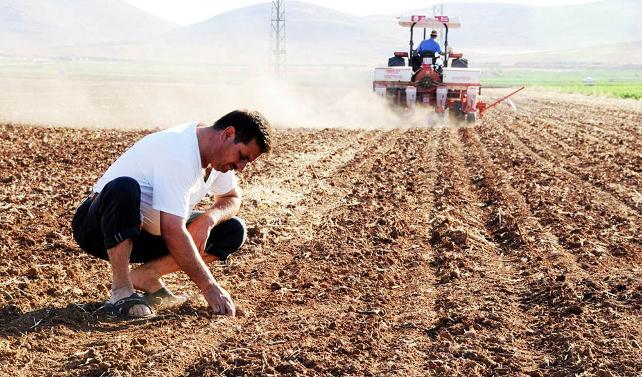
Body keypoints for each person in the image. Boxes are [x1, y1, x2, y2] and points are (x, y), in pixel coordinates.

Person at [72, 109, 273, 319]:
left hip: (149, 233)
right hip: (100, 229)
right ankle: (121, 290)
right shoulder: (179, 151)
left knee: (233, 230)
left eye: (246, 162)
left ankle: (147, 274)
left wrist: (208, 219)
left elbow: (231, 197)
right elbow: (172, 230)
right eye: (241, 157)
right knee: (124, 187)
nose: (239, 168)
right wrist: (209, 287)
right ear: (227, 134)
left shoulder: (218, 160)